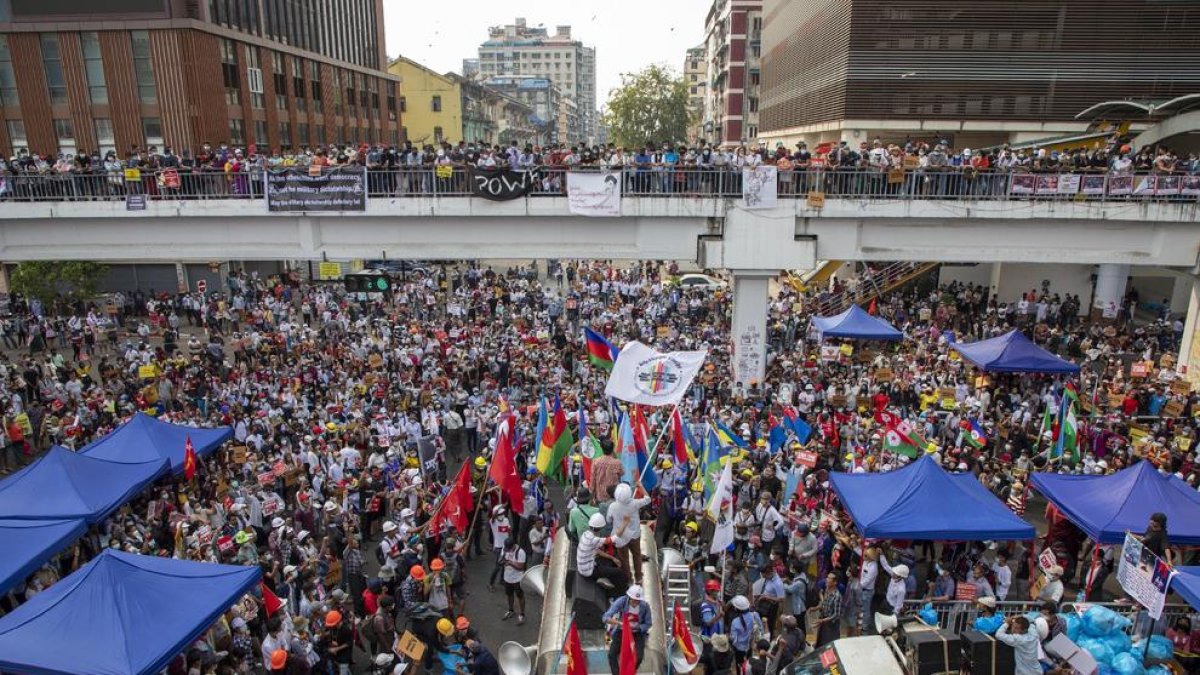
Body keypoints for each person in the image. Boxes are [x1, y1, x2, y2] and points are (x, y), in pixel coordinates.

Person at [608, 483, 652, 585]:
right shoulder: (635, 503)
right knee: (637, 556)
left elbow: (609, 520)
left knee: (624, 560)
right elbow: (647, 499)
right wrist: (641, 486)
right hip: (634, 534)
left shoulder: (613, 506)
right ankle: (639, 577)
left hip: (620, 536)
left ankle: (629, 580)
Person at [603, 585, 652, 674]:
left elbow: (648, 623)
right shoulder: (621, 602)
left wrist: (637, 627)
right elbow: (605, 617)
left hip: (637, 633)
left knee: (638, 658)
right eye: (633, 600)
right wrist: (620, 623)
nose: (635, 602)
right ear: (629, 597)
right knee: (612, 655)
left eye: (638, 601)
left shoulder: (645, 607)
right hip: (622, 631)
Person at [577, 512, 628, 595]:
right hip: (589, 570)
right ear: (600, 528)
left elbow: (597, 551)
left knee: (609, 562)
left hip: (584, 567)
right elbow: (615, 538)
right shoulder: (594, 540)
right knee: (618, 572)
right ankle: (622, 594)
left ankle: (603, 578)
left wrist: (613, 558)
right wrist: (625, 523)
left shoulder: (585, 534)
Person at [728, 594, 764, 667]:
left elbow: (734, 640)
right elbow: (761, 629)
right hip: (751, 647)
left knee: (740, 666)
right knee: (749, 665)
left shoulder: (735, 622)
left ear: (736, 609)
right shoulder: (755, 615)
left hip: (739, 649)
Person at [500, 538, 527, 625]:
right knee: (509, 594)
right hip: (507, 577)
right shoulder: (505, 548)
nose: (507, 550)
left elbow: (521, 567)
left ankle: (522, 614)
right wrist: (502, 561)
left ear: (513, 546)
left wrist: (510, 563)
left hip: (517, 579)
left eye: (509, 549)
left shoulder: (521, 552)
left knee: (520, 596)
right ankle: (511, 610)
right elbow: (501, 559)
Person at [815, 573, 842, 647]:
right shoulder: (827, 589)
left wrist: (822, 620)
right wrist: (815, 609)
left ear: (835, 582)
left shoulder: (837, 596)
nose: (826, 580)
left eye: (829, 578)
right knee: (820, 643)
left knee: (829, 645)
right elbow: (824, 604)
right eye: (827, 577)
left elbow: (836, 615)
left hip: (831, 625)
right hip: (824, 621)